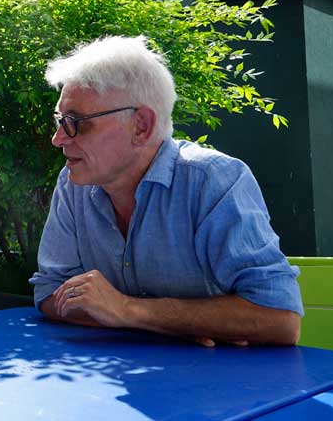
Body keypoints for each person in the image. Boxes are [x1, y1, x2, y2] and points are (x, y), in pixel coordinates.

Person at [30, 35, 303, 347]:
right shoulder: (73, 184)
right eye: (60, 120)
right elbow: (49, 292)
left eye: (76, 122)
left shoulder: (215, 182)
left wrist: (129, 310)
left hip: (230, 389)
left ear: (141, 126)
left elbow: (281, 318)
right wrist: (167, 324)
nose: (58, 138)